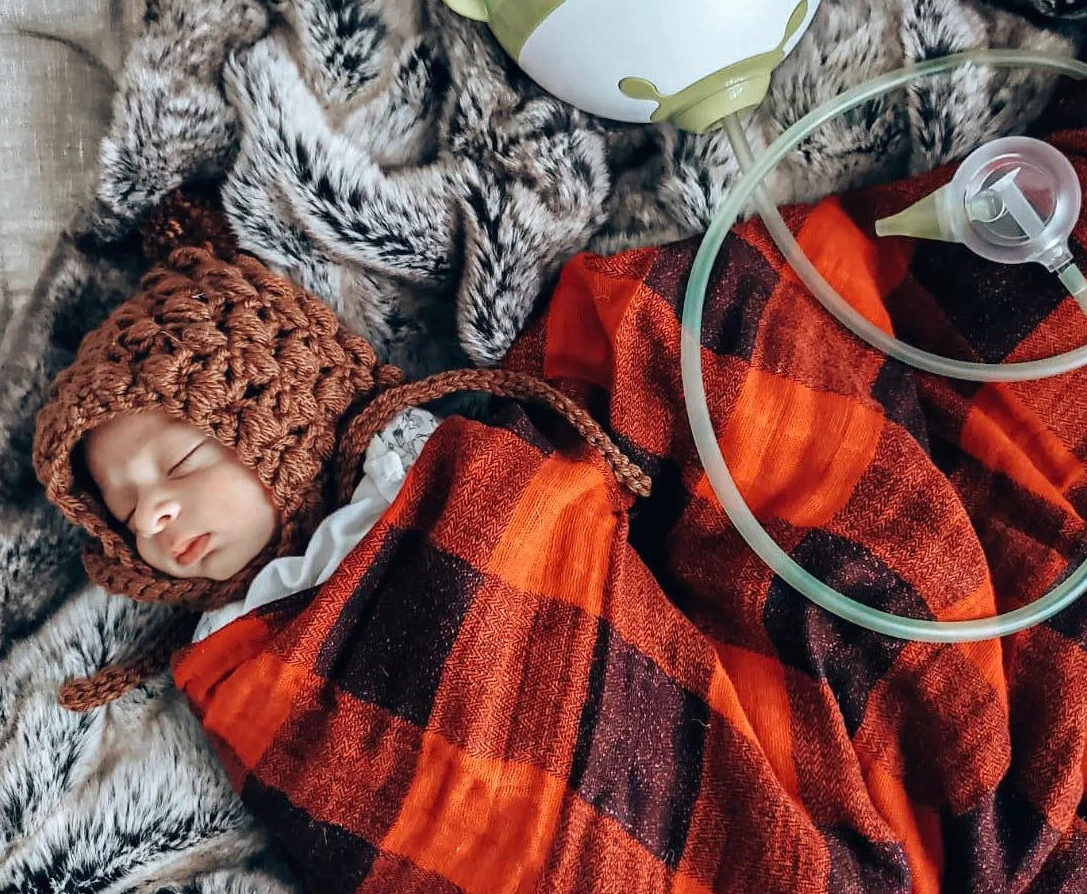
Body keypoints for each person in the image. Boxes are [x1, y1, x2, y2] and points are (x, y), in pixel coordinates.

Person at [32, 192, 646, 710]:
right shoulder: (225, 643)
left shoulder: (405, 472)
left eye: (180, 464)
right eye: (124, 513)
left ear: (283, 418)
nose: (150, 517)